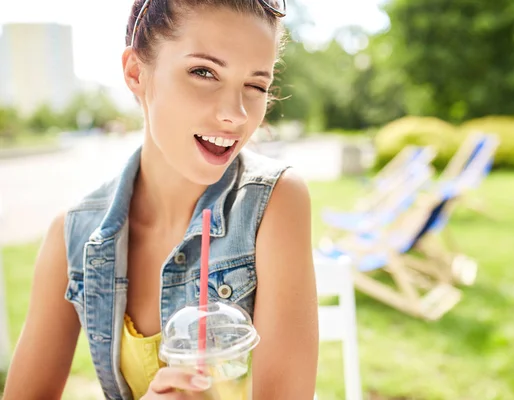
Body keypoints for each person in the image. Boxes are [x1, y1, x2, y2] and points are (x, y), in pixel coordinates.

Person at [3, 0, 318, 398]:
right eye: (204, 72)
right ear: (136, 72)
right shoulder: (74, 235)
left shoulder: (274, 202)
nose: (236, 114)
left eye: (255, 85)